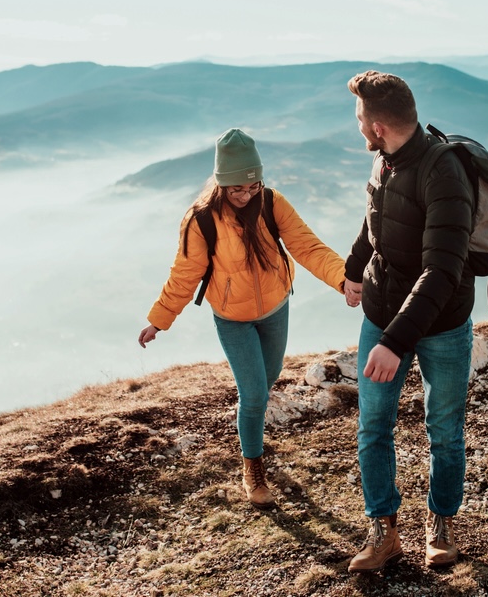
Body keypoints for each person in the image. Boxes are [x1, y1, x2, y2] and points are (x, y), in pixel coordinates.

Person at [139, 128, 355, 509]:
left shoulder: (272, 203)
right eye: (237, 189)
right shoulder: (201, 220)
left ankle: (250, 426)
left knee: (266, 382)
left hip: (276, 308)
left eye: (252, 186)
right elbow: (185, 273)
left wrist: (343, 278)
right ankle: (253, 467)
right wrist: (160, 319)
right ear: (221, 184)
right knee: (254, 394)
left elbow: (307, 246)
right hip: (232, 318)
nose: (245, 195)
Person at [341, 70, 475, 572]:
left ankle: (440, 523)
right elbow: (375, 220)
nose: (357, 128)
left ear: (377, 126)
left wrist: (394, 342)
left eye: (359, 119)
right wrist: (354, 272)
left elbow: (443, 271)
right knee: (373, 426)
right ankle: (384, 530)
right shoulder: (385, 160)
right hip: (382, 311)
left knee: (444, 429)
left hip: (440, 323)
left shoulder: (444, 173)